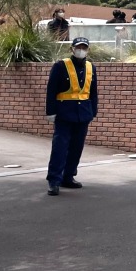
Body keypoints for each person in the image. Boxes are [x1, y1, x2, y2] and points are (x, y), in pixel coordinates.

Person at [44, 37, 98, 196]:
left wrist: (93, 111)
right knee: (60, 148)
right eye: (78, 47)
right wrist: (50, 112)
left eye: (84, 47)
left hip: (83, 114)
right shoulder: (60, 66)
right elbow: (51, 90)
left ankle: (68, 177)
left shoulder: (91, 67)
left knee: (76, 148)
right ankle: (54, 180)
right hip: (64, 113)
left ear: (88, 50)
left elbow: (93, 92)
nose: (81, 50)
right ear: (72, 49)